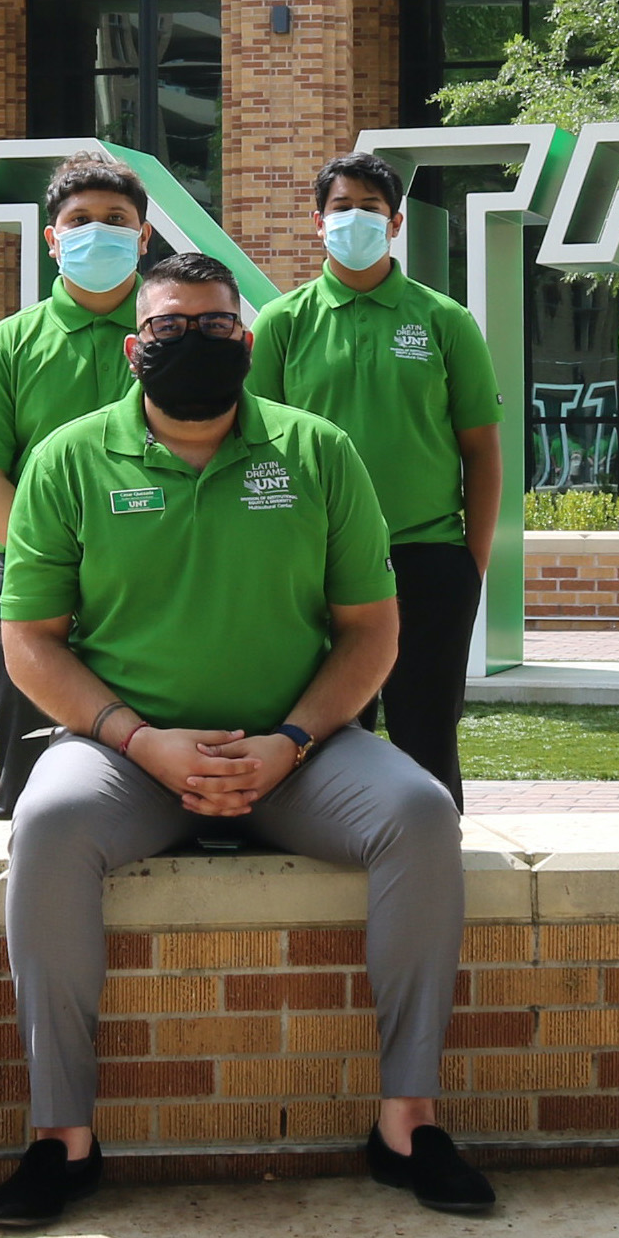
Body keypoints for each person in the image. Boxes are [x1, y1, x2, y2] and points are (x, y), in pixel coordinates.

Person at [0, 252, 489, 1232]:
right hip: (130, 755)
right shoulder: (68, 458)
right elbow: (29, 643)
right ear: (135, 349)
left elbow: (370, 629)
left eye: (214, 329)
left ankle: (407, 1120)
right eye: (170, 331)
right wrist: (145, 743)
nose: (192, 346)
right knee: (45, 822)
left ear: (246, 344)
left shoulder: (317, 451)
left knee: (422, 812)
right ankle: (61, 1136)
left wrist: (292, 740)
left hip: (297, 750)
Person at [248, 153, 502, 802]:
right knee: (323, 734)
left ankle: (436, 858)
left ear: (394, 223)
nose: (354, 218)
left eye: (369, 208)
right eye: (341, 207)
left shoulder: (445, 320)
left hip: (428, 558)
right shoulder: (283, 322)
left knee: (427, 730)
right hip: (316, 561)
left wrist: (469, 562)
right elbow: (254, 446)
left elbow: (480, 447)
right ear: (317, 221)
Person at [0, 156, 152, 818]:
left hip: (164, 588)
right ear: (52, 237)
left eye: (116, 220)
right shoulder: (9, 343)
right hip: (37, 597)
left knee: (157, 772)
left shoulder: (175, 335)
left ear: (145, 236)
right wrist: (61, 570)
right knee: (31, 785)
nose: (99, 232)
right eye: (80, 220)